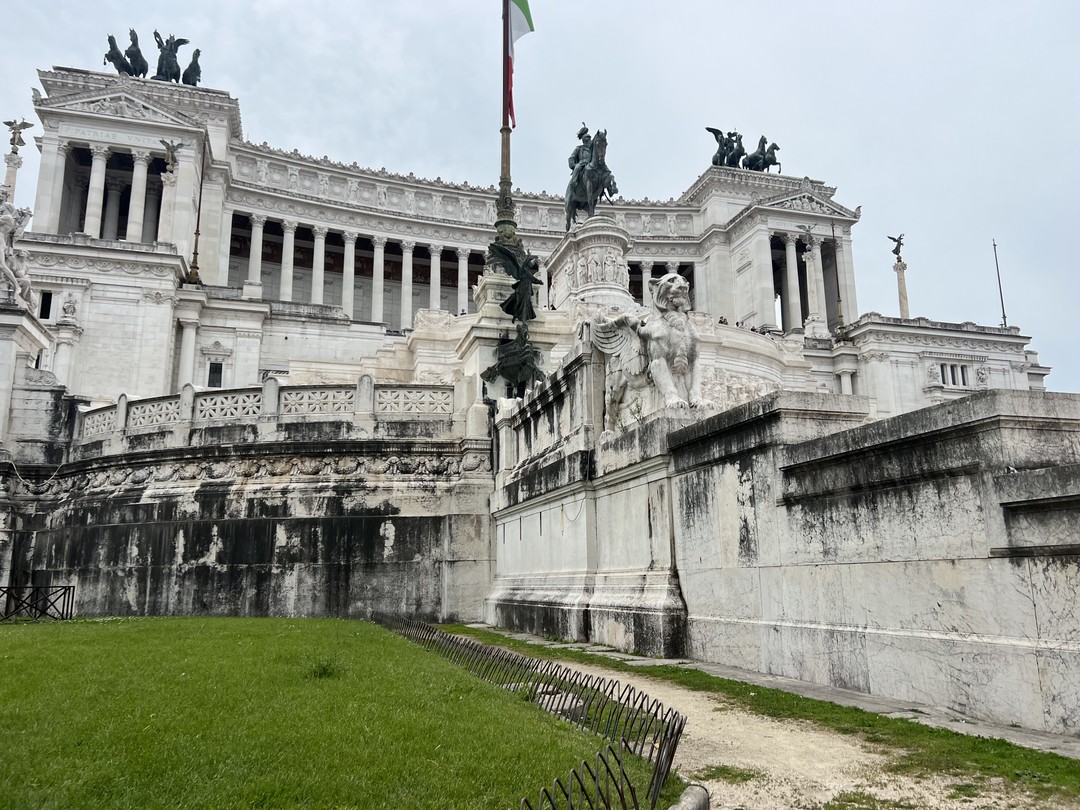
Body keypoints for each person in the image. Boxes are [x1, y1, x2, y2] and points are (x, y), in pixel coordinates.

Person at [568, 125, 593, 193]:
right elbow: (571, 158)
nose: (590, 141)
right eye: (588, 139)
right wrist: (574, 165)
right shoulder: (579, 148)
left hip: (591, 165)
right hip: (582, 164)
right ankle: (573, 182)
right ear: (585, 140)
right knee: (577, 167)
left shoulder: (593, 150)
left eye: (590, 139)